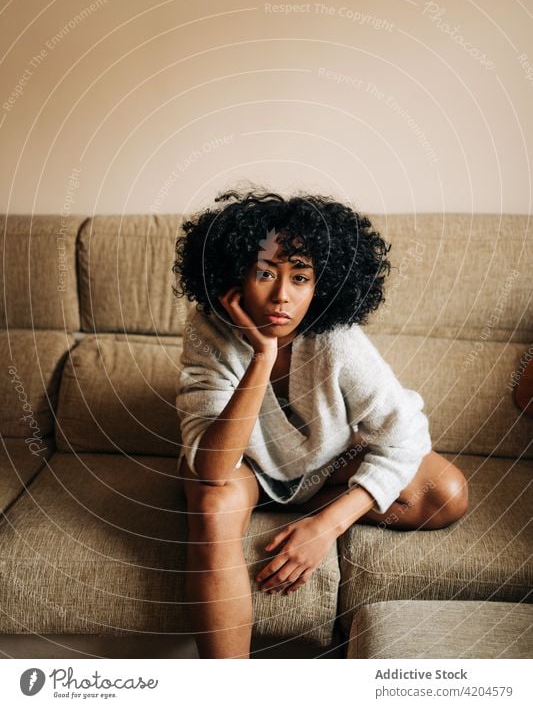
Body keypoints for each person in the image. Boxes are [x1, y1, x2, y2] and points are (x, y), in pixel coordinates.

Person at [172, 186, 468, 658]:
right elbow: (211, 466)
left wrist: (327, 524)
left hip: (325, 467)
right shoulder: (209, 328)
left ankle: (305, 512)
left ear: (321, 283)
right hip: (241, 467)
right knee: (210, 503)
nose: (281, 297)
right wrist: (262, 356)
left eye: (301, 278)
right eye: (265, 273)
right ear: (233, 276)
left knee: (445, 494)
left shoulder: (337, 339)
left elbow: (404, 432)